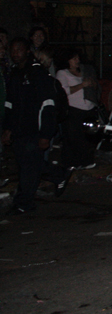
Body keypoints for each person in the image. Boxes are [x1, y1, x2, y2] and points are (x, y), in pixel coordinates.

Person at [2, 38, 67, 214]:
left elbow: (48, 105)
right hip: (18, 129)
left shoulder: (38, 74)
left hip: (35, 130)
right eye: (13, 50)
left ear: (28, 51)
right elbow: (10, 103)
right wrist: (7, 128)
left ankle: (24, 203)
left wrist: (45, 134)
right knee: (29, 164)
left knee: (29, 168)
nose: (15, 54)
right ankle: (59, 174)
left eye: (19, 50)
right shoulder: (15, 73)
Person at [56, 49, 97, 171]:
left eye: (78, 58)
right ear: (67, 60)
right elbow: (64, 91)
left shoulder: (83, 71)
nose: (77, 61)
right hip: (74, 109)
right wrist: (82, 85)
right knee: (73, 138)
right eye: (74, 59)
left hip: (89, 108)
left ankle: (86, 161)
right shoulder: (62, 73)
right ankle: (70, 162)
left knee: (87, 137)